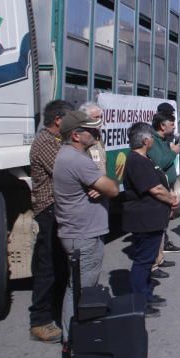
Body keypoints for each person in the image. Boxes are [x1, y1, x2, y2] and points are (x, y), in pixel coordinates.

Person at [53, 110, 119, 344]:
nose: (95, 133)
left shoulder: (68, 156)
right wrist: (104, 186)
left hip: (76, 230)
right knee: (81, 288)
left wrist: (100, 186)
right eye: (90, 130)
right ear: (76, 136)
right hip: (84, 233)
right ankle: (74, 340)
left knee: (78, 284)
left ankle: (73, 336)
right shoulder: (77, 160)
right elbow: (112, 189)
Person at [28, 99, 74, 343]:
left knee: (60, 265)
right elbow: (65, 170)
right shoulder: (45, 142)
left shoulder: (56, 142)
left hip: (59, 210)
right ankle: (40, 321)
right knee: (47, 267)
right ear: (58, 120)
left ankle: (58, 311)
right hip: (49, 211)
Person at [121, 122, 177, 317]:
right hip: (144, 219)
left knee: (147, 259)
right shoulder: (136, 160)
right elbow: (155, 189)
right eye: (151, 137)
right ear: (145, 141)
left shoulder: (145, 159)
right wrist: (171, 199)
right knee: (143, 262)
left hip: (152, 218)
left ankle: (146, 294)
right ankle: (139, 303)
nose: (153, 140)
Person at [149, 112, 180, 256]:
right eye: (171, 124)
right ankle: (156, 258)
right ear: (162, 126)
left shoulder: (163, 140)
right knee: (159, 222)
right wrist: (173, 152)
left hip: (167, 185)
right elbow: (160, 163)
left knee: (165, 221)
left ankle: (160, 255)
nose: (174, 126)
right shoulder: (154, 141)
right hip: (160, 187)